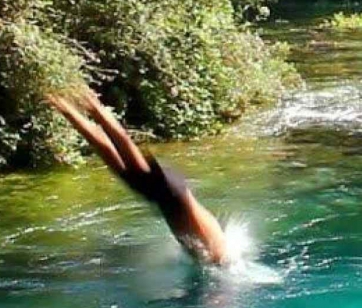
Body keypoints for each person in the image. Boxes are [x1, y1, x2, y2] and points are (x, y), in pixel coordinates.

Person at [46, 88, 228, 265]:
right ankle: (86, 106)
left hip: (172, 196)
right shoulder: (214, 256)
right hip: (170, 196)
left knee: (113, 156)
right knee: (121, 151)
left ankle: (72, 107)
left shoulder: (219, 244)